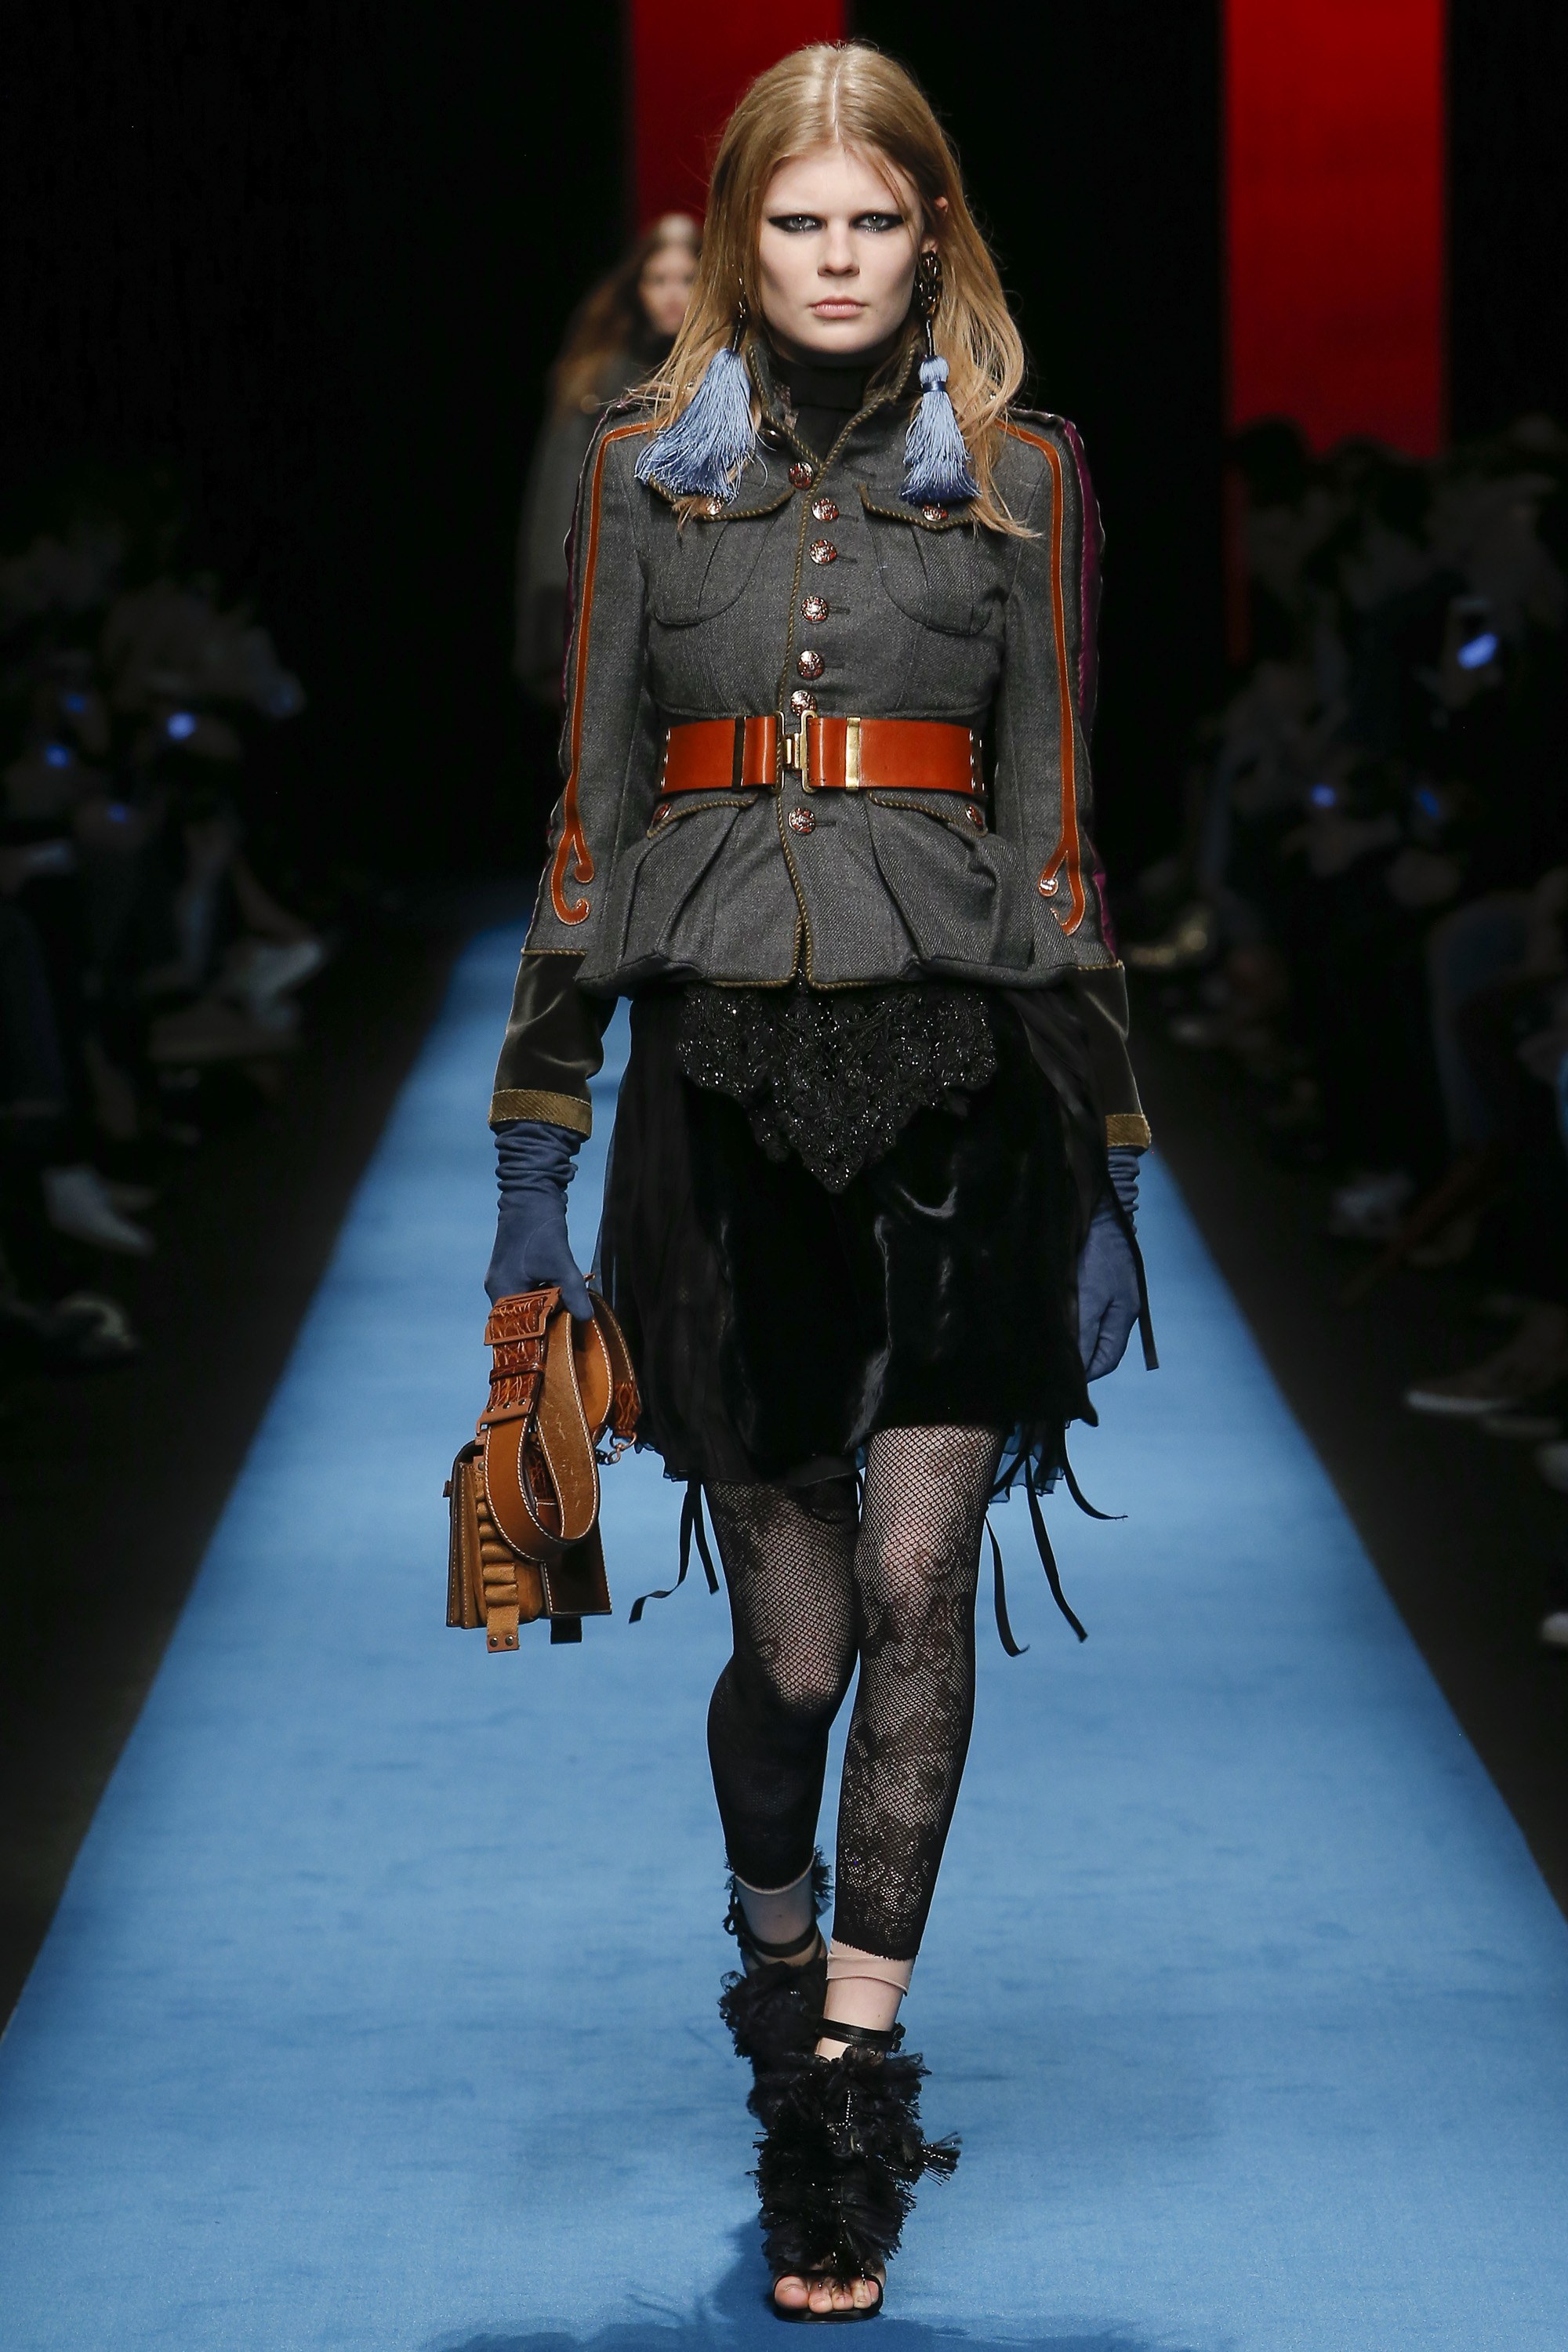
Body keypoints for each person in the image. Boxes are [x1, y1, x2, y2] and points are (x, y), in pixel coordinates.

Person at [484, 42, 1151, 2321]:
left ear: (931, 234)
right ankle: (773, 1951)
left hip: (968, 1087)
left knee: (916, 1578)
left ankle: (842, 2101)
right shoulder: (636, 476)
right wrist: (535, 1157)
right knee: (791, 1649)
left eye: (876, 221)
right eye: (798, 222)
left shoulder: (1027, 481)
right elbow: (588, 825)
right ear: (737, 238)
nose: (839, 259)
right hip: (718, 1092)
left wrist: (1113, 1161)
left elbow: (1058, 837)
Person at [513, 213, 699, 702]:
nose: (672, 294)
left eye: (688, 279)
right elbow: (559, 493)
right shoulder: (598, 378)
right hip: (607, 594)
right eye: (658, 280)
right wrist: (553, 603)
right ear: (637, 287)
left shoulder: (728, 377)